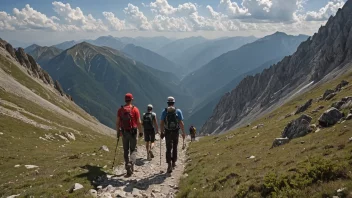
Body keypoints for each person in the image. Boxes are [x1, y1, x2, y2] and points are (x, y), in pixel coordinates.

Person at [116, 93, 143, 177]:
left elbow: (117, 123)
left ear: (125, 100)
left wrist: (118, 132)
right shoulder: (135, 109)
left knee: (126, 150)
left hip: (124, 132)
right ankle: (131, 163)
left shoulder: (120, 110)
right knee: (133, 149)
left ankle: (127, 165)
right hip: (133, 132)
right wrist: (141, 131)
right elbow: (138, 122)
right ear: (131, 99)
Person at [160, 96, 186, 173]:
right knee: (174, 147)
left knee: (168, 148)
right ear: (174, 103)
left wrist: (162, 132)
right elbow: (181, 123)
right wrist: (183, 132)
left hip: (168, 132)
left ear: (167, 103)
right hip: (175, 132)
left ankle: (169, 165)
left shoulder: (164, 111)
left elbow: (161, 123)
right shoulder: (178, 111)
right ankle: (174, 162)